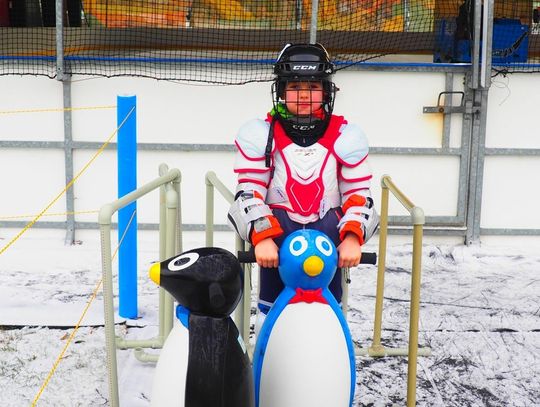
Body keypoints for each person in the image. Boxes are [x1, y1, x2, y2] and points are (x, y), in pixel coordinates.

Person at [228, 43, 378, 330]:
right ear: (281, 91)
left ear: (326, 91)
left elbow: (359, 195)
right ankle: (268, 365)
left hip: (328, 241)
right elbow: (249, 190)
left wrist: (351, 237)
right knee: (270, 314)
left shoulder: (346, 136)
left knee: (329, 312)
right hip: (278, 239)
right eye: (295, 86)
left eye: (313, 86)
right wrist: (262, 238)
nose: (305, 95)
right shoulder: (261, 135)